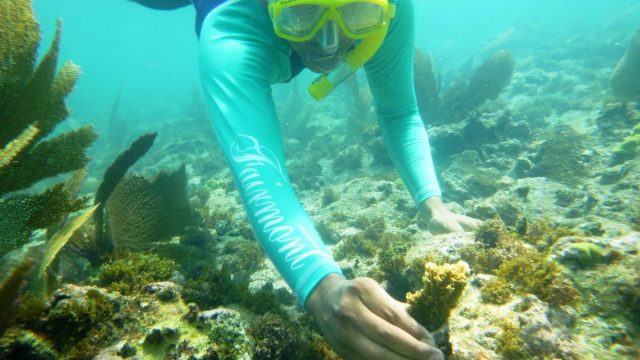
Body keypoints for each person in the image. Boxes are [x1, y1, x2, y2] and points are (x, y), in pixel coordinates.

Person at [133, 0, 481, 358]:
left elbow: (400, 112)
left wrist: (432, 203)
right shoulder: (230, 28)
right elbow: (259, 167)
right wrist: (321, 287)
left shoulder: (390, 6)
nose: (329, 43)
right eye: (302, 12)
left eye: (355, 12)